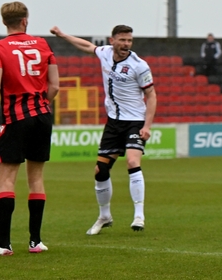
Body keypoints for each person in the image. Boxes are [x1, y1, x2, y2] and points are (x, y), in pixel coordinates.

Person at [50, 24, 157, 235]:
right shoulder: (105, 53)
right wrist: (63, 35)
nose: (126, 44)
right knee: (100, 170)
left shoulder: (139, 65)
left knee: (132, 161)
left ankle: (139, 215)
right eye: (123, 40)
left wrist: (147, 126)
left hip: (134, 121)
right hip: (113, 123)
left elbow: (152, 96)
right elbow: (86, 45)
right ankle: (104, 216)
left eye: (129, 40)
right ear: (112, 40)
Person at [0, 2, 59, 256]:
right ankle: (36, 242)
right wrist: (40, 105)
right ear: (25, 20)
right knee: (36, 179)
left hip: (16, 119)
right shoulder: (43, 45)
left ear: (4, 22)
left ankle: (3, 243)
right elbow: (54, 86)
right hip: (42, 116)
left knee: (5, 179)